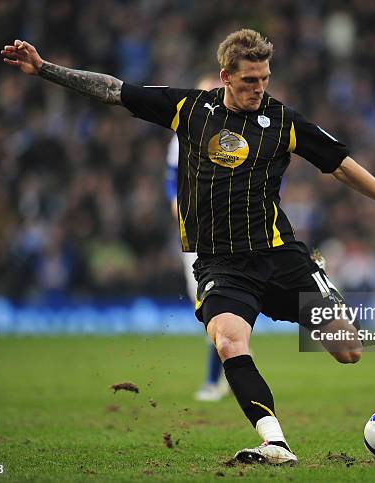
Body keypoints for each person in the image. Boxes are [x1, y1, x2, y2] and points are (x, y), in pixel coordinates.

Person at [2, 29, 375, 465]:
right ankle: (275, 444)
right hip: (223, 266)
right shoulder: (189, 109)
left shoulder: (282, 120)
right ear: (225, 77)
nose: (259, 88)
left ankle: (320, 279)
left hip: (281, 256)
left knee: (348, 350)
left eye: (265, 78)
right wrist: (45, 70)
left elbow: (340, 165)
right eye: (250, 80)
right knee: (229, 342)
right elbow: (115, 90)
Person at [165, 75, 230, 402]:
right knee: (208, 308)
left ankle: (214, 380)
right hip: (195, 234)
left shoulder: (235, 136)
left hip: (230, 233)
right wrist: (180, 205)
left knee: (216, 304)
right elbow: (171, 182)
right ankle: (228, 370)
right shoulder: (182, 135)